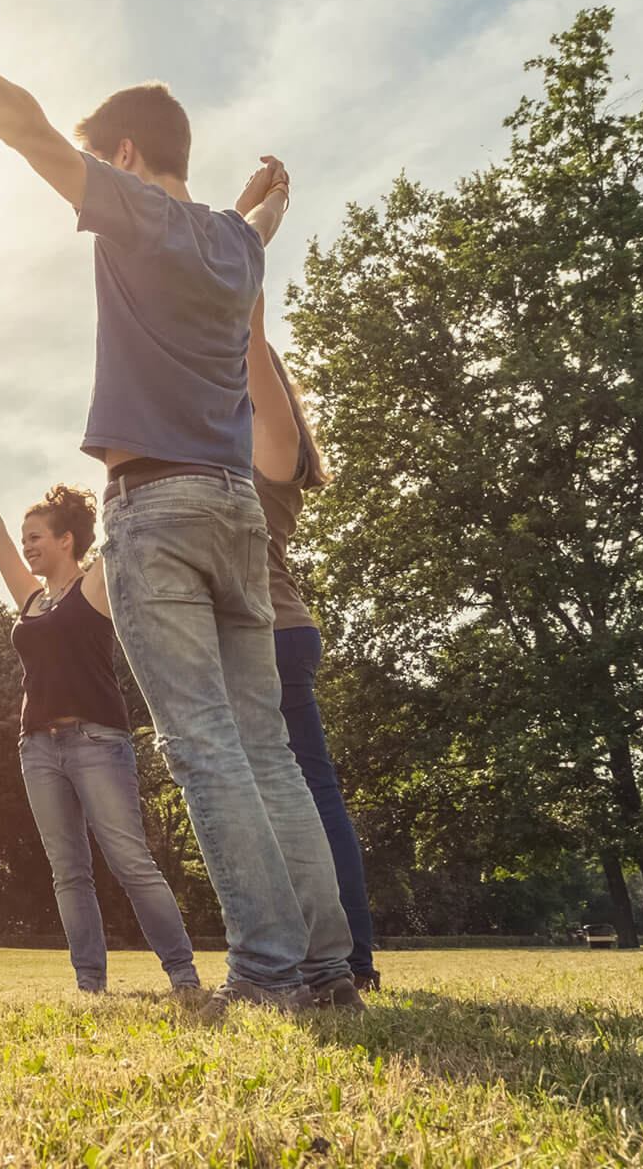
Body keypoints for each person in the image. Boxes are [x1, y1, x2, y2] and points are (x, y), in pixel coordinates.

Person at [0, 0, 357, 1010]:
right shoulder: (236, 242)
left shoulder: (134, 210)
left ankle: (271, 970)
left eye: (103, 160)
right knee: (267, 748)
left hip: (156, 509)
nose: (89, 177)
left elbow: (22, 125)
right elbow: (261, 214)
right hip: (237, 510)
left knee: (201, 749)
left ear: (132, 159)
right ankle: (327, 967)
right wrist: (272, 189)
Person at [0, 444, 200, 995]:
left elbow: (121, 524)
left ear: (66, 540)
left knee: (130, 861)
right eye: (25, 539)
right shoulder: (32, 600)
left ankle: (183, 976)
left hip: (97, 740)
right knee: (69, 872)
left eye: (36, 537)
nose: (26, 546)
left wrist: (132, 461)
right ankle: (90, 984)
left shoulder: (93, 585)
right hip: (37, 748)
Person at [246, 295, 380, 990]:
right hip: (277, 633)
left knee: (310, 794)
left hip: (274, 634)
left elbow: (252, 355)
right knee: (292, 795)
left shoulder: (275, 449)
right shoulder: (254, 452)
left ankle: (351, 959)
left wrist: (243, 293)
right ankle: (326, 953)